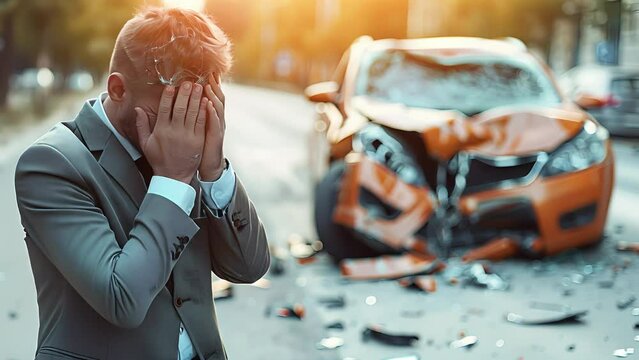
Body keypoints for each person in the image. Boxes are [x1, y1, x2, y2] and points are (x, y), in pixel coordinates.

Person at [14, 6, 269, 360]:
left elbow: (249, 267)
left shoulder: (190, 150)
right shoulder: (52, 164)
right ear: (118, 89)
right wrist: (174, 179)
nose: (185, 125)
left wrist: (214, 172)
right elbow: (122, 299)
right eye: (169, 109)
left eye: (197, 106)